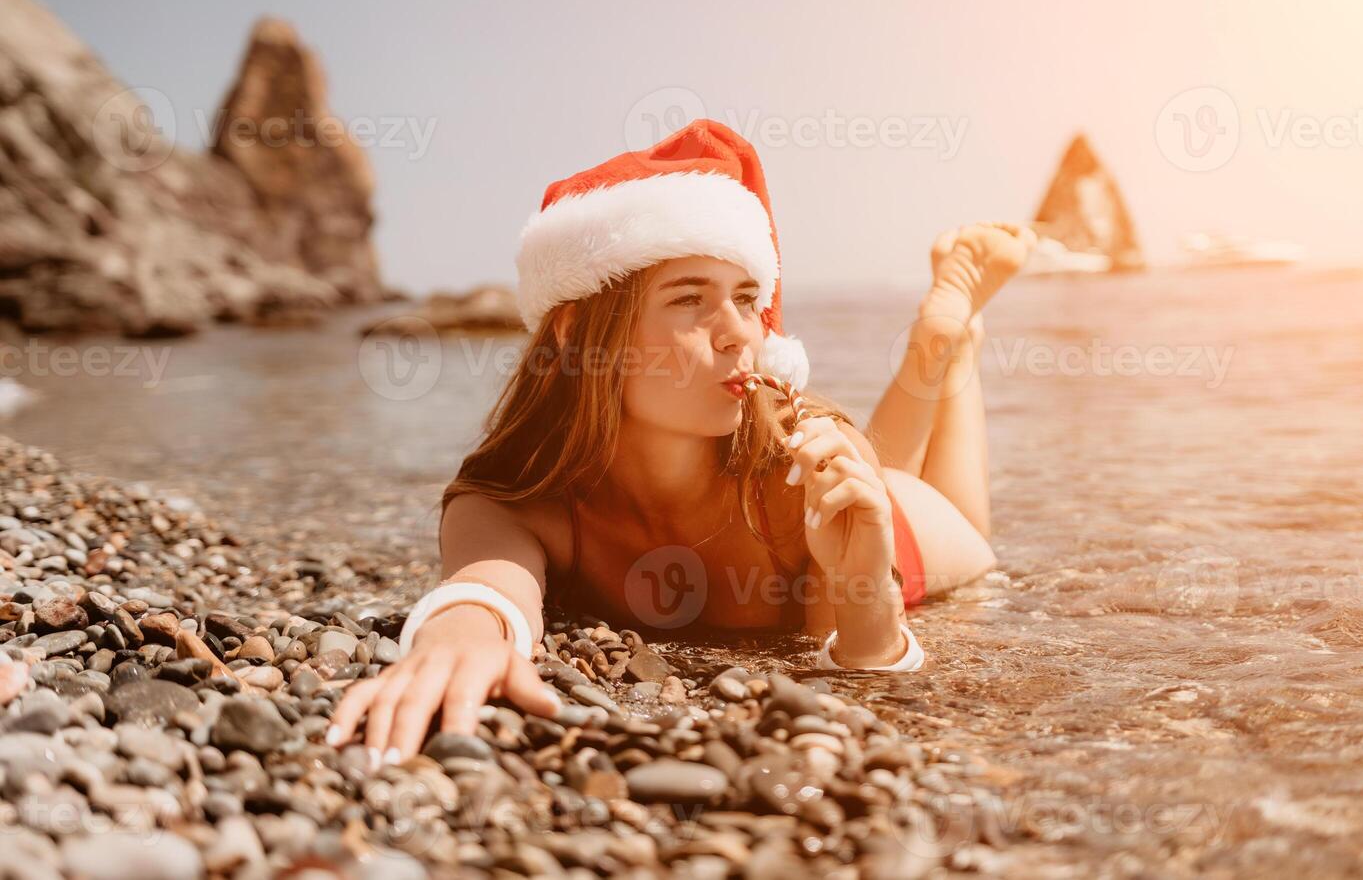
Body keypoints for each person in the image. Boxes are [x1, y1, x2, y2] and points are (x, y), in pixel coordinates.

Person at [326, 119, 1034, 767]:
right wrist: (456, 638)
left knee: (945, 514)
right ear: (576, 333)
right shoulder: (516, 494)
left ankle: (951, 351)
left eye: (749, 298)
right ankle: (936, 350)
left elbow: (863, 679)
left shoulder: (789, 470)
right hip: (834, 497)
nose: (739, 331)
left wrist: (868, 600)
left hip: (889, 547)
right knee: (867, 470)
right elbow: (487, 588)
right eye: (689, 299)